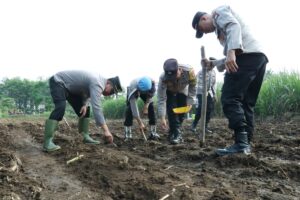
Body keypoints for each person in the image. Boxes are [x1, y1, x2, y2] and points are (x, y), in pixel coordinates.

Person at [192, 5, 268, 155]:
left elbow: (234, 26)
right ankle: (246, 143)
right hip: (258, 58)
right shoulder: (221, 31)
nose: (205, 33)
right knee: (246, 103)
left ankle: (241, 144)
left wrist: (232, 50)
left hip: (246, 57)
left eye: (202, 29)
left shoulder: (218, 12)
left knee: (229, 98)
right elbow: (229, 58)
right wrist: (212, 64)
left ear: (204, 18)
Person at [43, 70, 122, 152]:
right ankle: (48, 142)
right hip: (58, 81)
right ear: (108, 83)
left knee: (85, 109)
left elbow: (86, 92)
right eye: (112, 91)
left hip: (70, 89)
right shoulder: (98, 83)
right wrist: (106, 131)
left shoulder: (98, 82)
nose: (110, 94)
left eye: (112, 93)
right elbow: (97, 107)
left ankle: (85, 136)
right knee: (60, 107)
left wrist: (84, 104)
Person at [157, 58, 196, 144]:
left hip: (183, 91)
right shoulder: (163, 78)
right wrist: (162, 117)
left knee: (181, 113)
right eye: (170, 78)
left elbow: (193, 87)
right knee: (172, 111)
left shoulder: (189, 72)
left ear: (180, 70)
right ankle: (177, 135)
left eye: (174, 77)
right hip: (169, 92)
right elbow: (161, 99)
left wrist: (190, 102)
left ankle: (173, 131)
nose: (172, 80)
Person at [191, 68, 216, 134]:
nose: (211, 66)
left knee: (209, 109)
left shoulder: (213, 72)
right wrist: (197, 93)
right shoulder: (201, 72)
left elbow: (213, 84)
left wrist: (214, 94)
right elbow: (196, 82)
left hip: (209, 92)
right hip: (201, 92)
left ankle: (205, 127)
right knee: (201, 108)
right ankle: (194, 125)